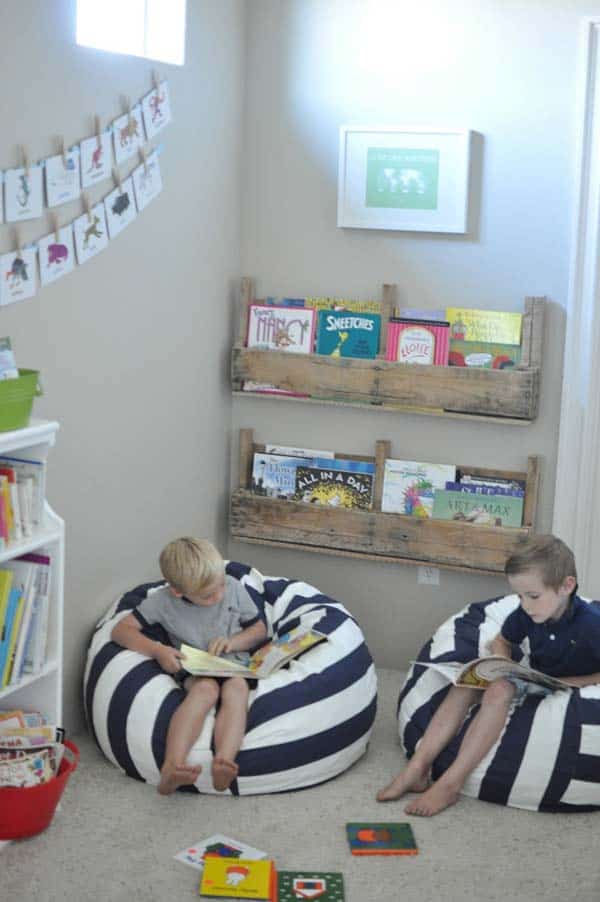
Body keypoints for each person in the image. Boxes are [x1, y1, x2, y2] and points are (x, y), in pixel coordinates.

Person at [377, 534, 600, 816]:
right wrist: (502, 663)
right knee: (464, 683)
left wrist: (575, 683)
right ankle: (418, 768)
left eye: (533, 596)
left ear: (567, 586)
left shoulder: (592, 624)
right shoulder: (527, 613)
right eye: (520, 596)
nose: (526, 605)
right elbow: (502, 640)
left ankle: (450, 784)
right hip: (536, 676)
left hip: (569, 689)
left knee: (498, 691)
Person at [110, 537, 267, 795]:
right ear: (178, 592)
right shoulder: (162, 602)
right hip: (195, 668)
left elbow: (259, 630)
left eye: (220, 586)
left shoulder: (232, 587)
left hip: (234, 664)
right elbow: (120, 630)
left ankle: (224, 761)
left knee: (236, 688)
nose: (218, 596)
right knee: (205, 691)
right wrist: (159, 650)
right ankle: (172, 766)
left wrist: (234, 642)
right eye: (208, 595)